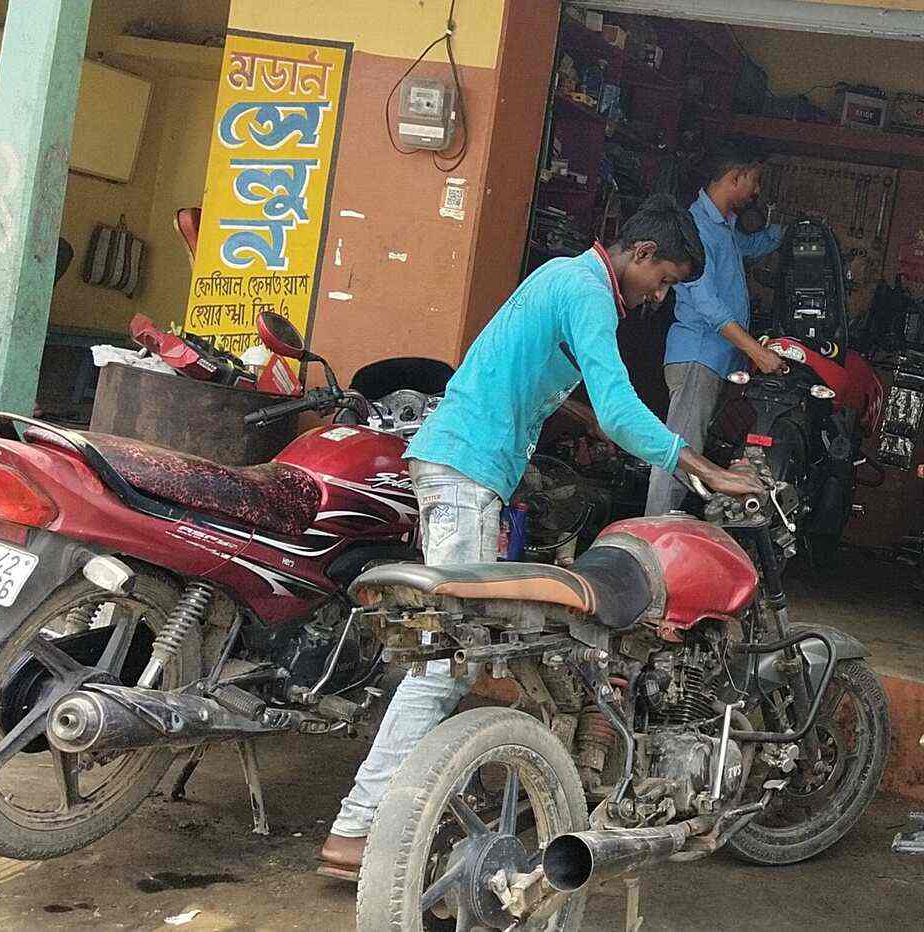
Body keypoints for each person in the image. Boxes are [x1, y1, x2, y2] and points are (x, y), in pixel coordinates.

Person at [316, 194, 764, 880]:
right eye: (663, 280)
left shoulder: (563, 276)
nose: (658, 296)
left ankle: (426, 795)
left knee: (464, 652)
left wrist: (573, 414)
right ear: (642, 254)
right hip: (465, 469)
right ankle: (358, 826)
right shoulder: (588, 292)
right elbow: (621, 408)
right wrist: (703, 468)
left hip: (465, 466)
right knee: (448, 662)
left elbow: (534, 373)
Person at [642, 145, 789, 516]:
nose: (756, 191)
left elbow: (749, 247)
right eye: (754, 180)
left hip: (716, 358)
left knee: (691, 451)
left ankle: (672, 527)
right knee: (678, 454)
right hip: (698, 355)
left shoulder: (723, 227)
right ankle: (654, 533)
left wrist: (786, 232)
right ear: (735, 177)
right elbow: (707, 305)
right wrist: (756, 350)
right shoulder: (698, 229)